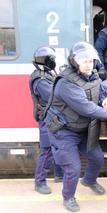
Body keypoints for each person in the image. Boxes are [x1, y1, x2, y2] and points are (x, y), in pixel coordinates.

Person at [44, 41, 107, 212]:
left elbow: (102, 88)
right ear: (74, 62)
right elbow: (86, 108)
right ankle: (68, 197)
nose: (89, 65)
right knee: (73, 167)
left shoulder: (93, 75)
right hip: (64, 131)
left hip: (82, 129)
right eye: (84, 61)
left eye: (91, 61)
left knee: (97, 158)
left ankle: (89, 181)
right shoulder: (66, 83)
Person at [29, 46, 64, 194]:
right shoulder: (41, 79)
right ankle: (40, 182)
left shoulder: (47, 73)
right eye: (52, 59)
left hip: (51, 116)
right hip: (46, 118)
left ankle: (59, 175)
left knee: (57, 144)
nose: (54, 61)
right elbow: (53, 95)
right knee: (47, 149)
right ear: (47, 61)